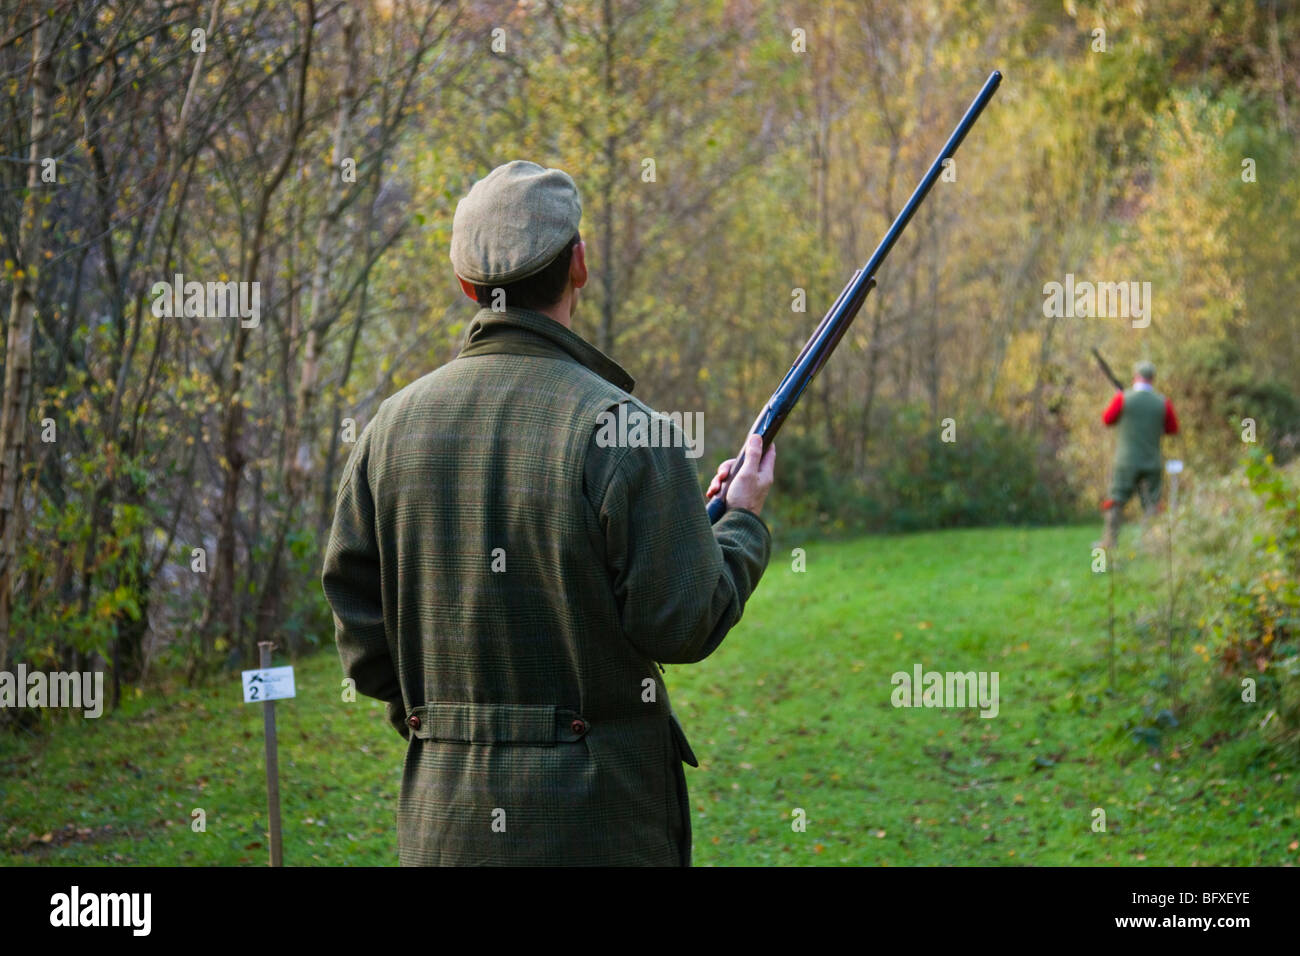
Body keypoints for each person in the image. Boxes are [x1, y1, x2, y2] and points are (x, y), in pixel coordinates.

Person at [321, 160, 775, 866]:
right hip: (601, 830)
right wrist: (741, 521)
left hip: (445, 830)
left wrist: (448, 728)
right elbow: (683, 621)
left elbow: (362, 629)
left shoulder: (388, 430)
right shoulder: (628, 430)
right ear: (580, 265)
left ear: (468, 287)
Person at [1097, 359, 1179, 550]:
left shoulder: (1123, 399)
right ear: (1153, 378)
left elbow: (1107, 419)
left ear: (1135, 376)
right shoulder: (1162, 402)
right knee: (1152, 504)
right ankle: (1151, 545)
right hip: (1152, 462)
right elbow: (1172, 429)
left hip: (1126, 462)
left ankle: (1109, 543)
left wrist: (1120, 400)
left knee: (1116, 500)